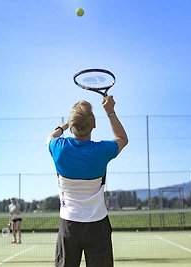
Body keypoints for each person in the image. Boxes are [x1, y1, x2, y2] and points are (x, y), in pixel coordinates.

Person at [46, 96, 128, 267]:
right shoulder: (102, 151)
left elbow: (51, 136)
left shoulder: (58, 148)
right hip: (98, 226)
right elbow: (122, 138)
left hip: (69, 226)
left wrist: (63, 125)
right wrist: (110, 112)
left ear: (72, 126)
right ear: (93, 125)